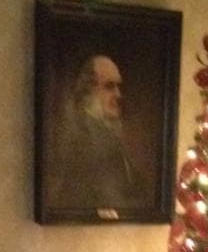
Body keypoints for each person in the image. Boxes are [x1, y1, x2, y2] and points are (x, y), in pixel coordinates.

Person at [50, 54, 144, 214]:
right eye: (109, 86)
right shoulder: (82, 138)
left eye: (118, 86)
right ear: (89, 90)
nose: (118, 94)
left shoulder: (106, 135)